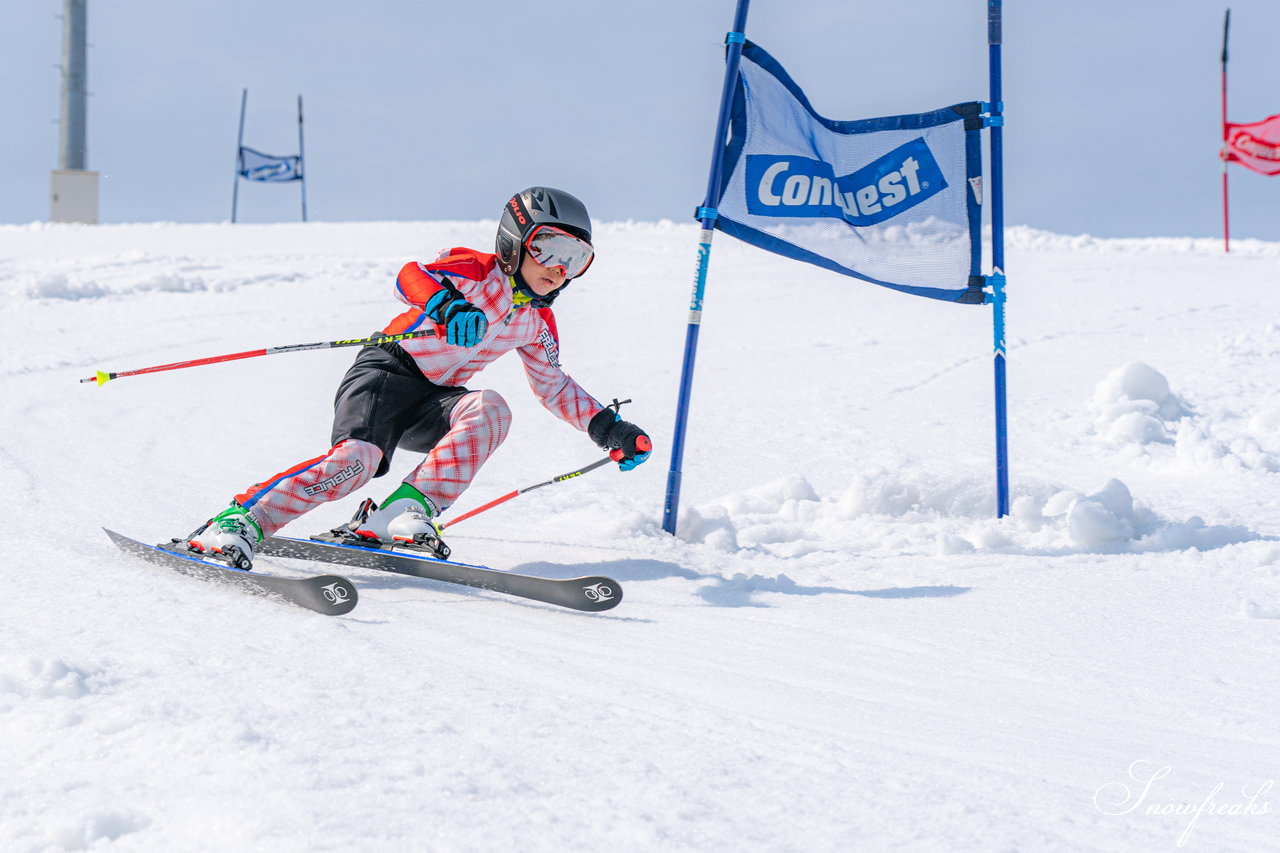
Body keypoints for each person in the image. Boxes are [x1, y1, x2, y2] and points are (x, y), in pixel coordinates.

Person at [184, 187, 651, 569]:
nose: (559, 267)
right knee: (356, 463)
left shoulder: (536, 322)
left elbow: (554, 387)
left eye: (576, 257)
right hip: (387, 373)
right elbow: (410, 276)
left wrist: (611, 430)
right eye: (549, 247)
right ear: (515, 240)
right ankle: (240, 521)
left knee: (489, 408)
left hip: (435, 402)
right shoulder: (474, 272)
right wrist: (445, 304)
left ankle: (400, 513)